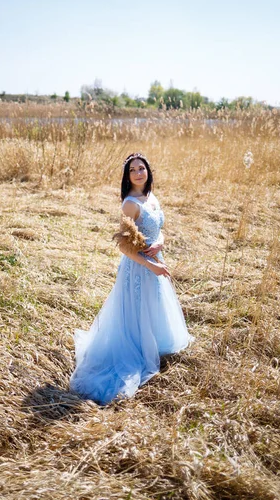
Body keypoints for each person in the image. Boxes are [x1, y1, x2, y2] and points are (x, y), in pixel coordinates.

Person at [69, 152, 193, 405]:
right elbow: (125, 247)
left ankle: (155, 341)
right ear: (127, 176)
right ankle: (136, 349)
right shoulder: (130, 204)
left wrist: (159, 242)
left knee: (154, 304)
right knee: (137, 310)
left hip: (155, 261)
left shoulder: (151, 197)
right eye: (133, 170)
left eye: (142, 168)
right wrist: (151, 266)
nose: (138, 173)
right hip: (138, 267)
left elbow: (158, 230)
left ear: (148, 172)